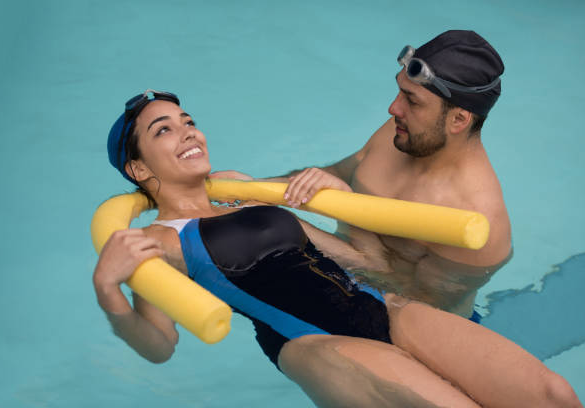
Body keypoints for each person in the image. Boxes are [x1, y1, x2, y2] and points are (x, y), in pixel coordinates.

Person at [93, 89, 581, 408]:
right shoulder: (158, 239)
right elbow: (159, 346)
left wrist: (340, 198)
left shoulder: (244, 192)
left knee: (551, 395)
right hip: (311, 342)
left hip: (378, 306)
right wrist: (109, 290)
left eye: (187, 120)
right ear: (138, 169)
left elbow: (367, 264)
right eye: (164, 130)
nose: (188, 132)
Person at [212, 30, 512, 321]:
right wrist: (251, 188)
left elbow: (413, 310)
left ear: (458, 119)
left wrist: (289, 221)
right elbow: (330, 177)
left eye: (413, 100)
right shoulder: (401, 134)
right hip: (336, 278)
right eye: (399, 91)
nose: (393, 108)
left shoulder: (476, 221)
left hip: (405, 340)